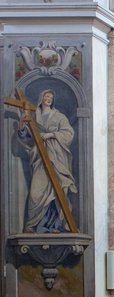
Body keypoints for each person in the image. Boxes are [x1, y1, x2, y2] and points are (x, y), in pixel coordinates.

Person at [16, 89, 76, 233]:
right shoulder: (33, 115)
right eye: (46, 96)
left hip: (56, 157)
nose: (48, 99)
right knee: (36, 192)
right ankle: (31, 225)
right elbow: (24, 136)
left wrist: (51, 134)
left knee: (57, 191)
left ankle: (53, 225)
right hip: (39, 157)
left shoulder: (59, 116)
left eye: (51, 97)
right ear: (41, 98)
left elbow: (69, 133)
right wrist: (22, 123)